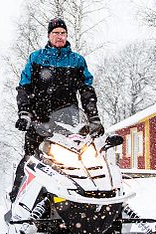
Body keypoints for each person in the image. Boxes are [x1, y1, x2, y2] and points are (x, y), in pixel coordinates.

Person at [9, 17, 103, 202]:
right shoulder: (36, 58)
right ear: (49, 35)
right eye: (56, 33)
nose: (59, 36)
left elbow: (86, 91)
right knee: (31, 159)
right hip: (39, 120)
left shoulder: (77, 61)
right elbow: (25, 87)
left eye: (63, 33)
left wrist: (93, 118)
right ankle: (17, 200)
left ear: (67, 35)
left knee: (78, 160)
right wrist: (25, 113)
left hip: (69, 122)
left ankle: (81, 199)